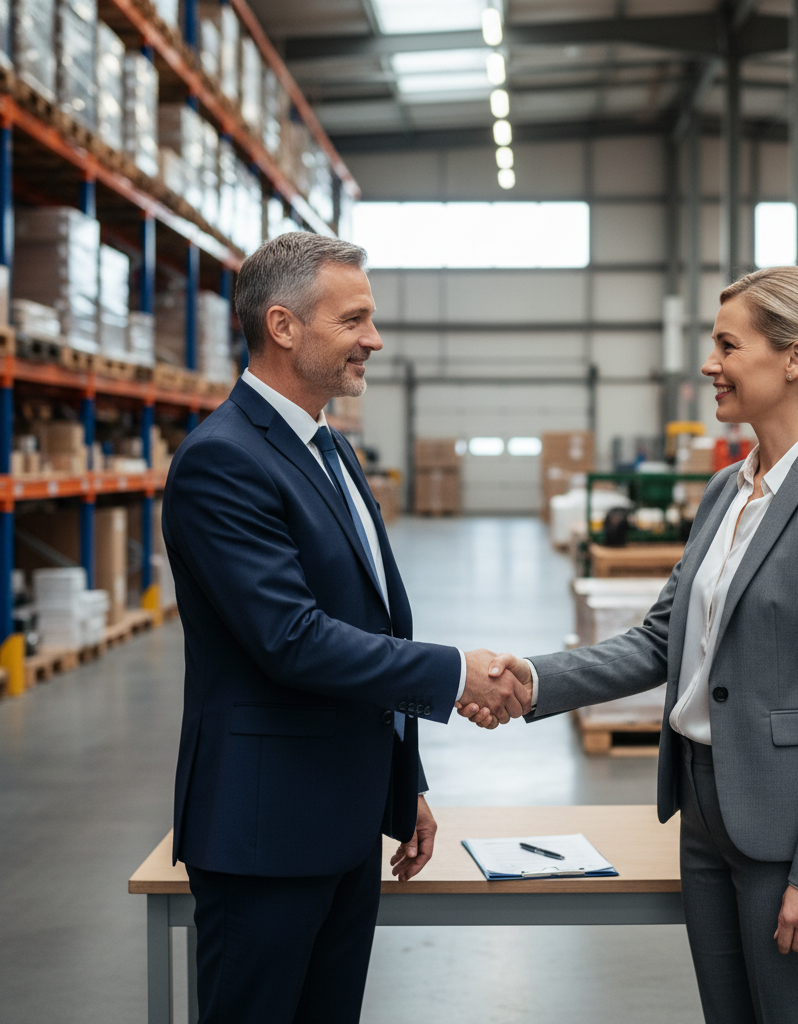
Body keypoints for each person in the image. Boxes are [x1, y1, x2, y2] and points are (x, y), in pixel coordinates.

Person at [462, 265, 798, 1024]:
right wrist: (531, 679)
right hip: (705, 814)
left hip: (790, 831)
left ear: (794, 359)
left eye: (728, 345)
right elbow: (663, 639)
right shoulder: (728, 491)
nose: (710, 364)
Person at [162, 232, 531, 1024]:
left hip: (344, 818)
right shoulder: (223, 460)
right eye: (355, 319)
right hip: (265, 833)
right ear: (284, 325)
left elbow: (367, 619)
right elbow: (290, 637)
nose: (375, 338)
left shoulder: (328, 448)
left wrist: (404, 784)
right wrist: (454, 674)